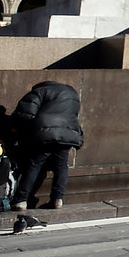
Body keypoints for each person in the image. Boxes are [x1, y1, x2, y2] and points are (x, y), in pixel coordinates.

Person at [12, 80, 84, 210]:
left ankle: (21, 200)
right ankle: (57, 199)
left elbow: (26, 113)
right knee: (61, 167)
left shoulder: (40, 91)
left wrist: (17, 128)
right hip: (67, 134)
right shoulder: (72, 93)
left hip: (44, 133)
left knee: (34, 165)